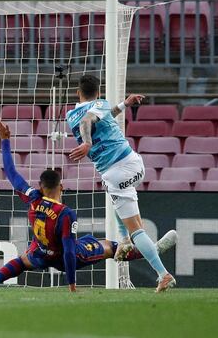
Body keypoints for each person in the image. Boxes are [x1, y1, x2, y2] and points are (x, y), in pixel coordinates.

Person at [0, 120, 176, 292]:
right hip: (70, 258)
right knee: (111, 248)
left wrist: (5, 141)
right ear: (62, 186)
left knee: (21, 262)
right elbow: (67, 250)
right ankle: (152, 251)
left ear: (41, 186)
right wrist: (72, 285)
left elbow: (11, 173)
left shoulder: (32, 198)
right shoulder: (65, 213)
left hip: (40, 252)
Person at [66, 75, 177, 292]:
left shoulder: (71, 115)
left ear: (78, 93)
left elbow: (87, 121)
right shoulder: (101, 104)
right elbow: (100, 115)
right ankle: (125, 242)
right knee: (115, 196)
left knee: (137, 230)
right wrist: (124, 104)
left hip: (117, 171)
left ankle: (163, 274)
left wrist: (87, 143)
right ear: (98, 92)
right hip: (132, 164)